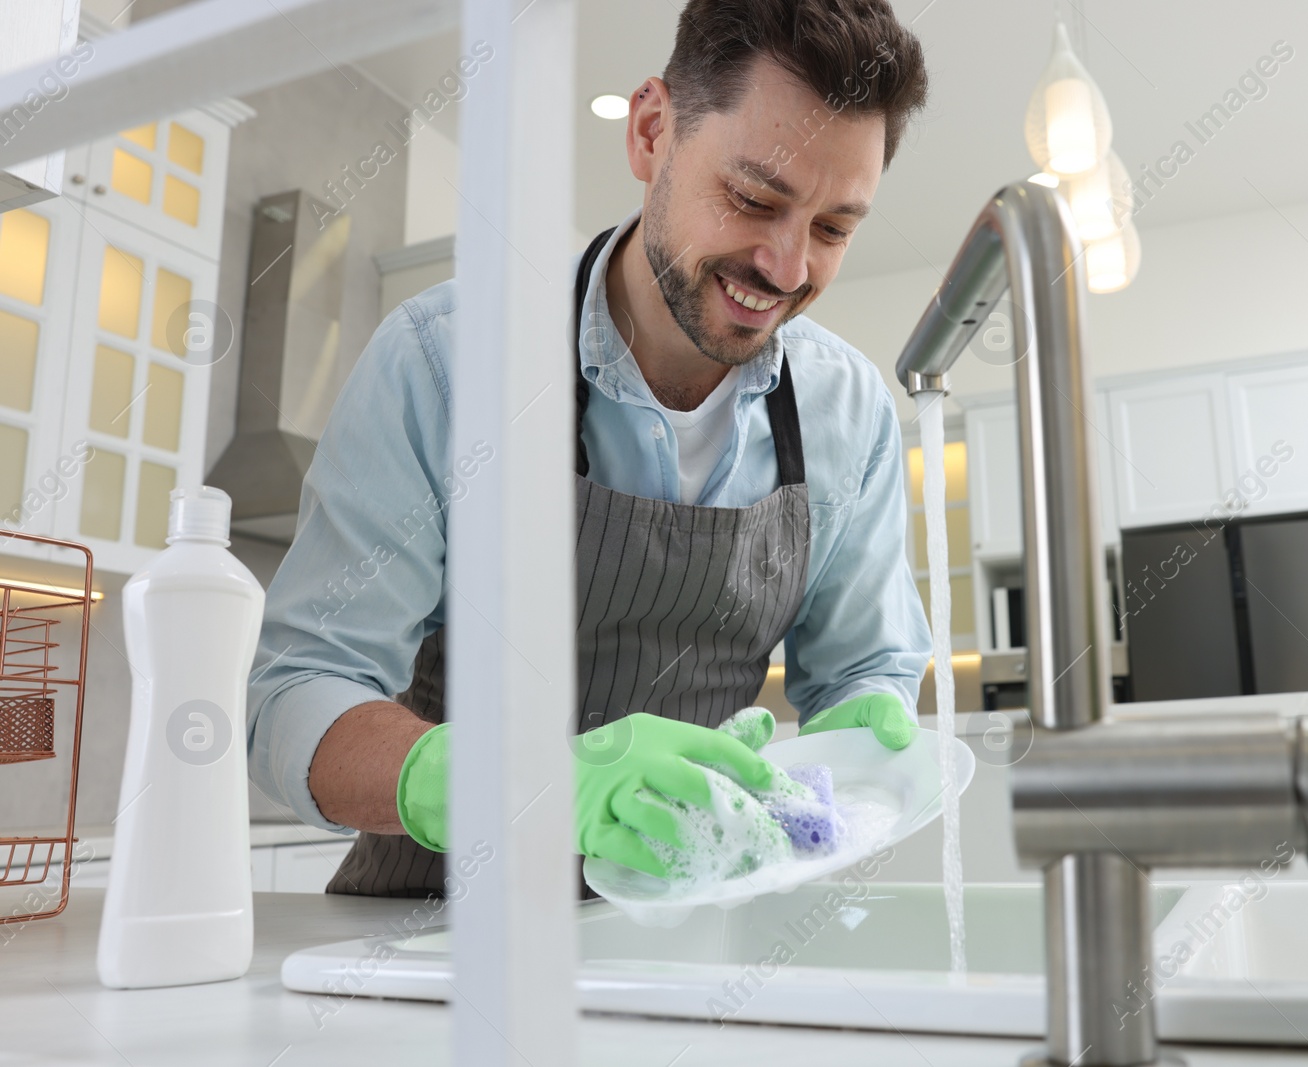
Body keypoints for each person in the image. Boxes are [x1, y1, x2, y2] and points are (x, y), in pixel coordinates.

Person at [246, 0, 933, 897]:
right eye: (753, 198)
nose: (788, 266)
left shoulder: (850, 414)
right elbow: (297, 696)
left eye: (835, 228)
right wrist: (527, 788)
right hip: (431, 936)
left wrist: (856, 746)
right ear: (652, 131)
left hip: (691, 928)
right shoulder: (446, 362)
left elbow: (862, 676)